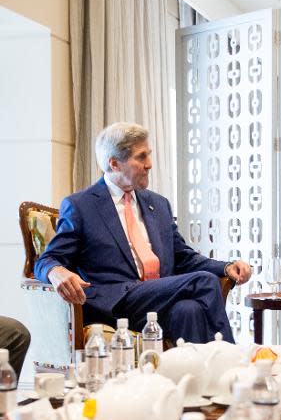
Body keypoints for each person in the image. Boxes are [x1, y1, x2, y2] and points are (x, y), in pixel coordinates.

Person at [35, 122, 252, 343]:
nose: (149, 164)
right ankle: (230, 359)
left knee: (189, 310)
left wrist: (225, 267)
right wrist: (56, 271)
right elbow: (48, 259)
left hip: (158, 299)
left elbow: (184, 257)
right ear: (115, 163)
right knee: (205, 281)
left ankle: (192, 377)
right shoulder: (81, 205)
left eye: (148, 155)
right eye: (141, 157)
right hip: (116, 302)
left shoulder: (158, 204)